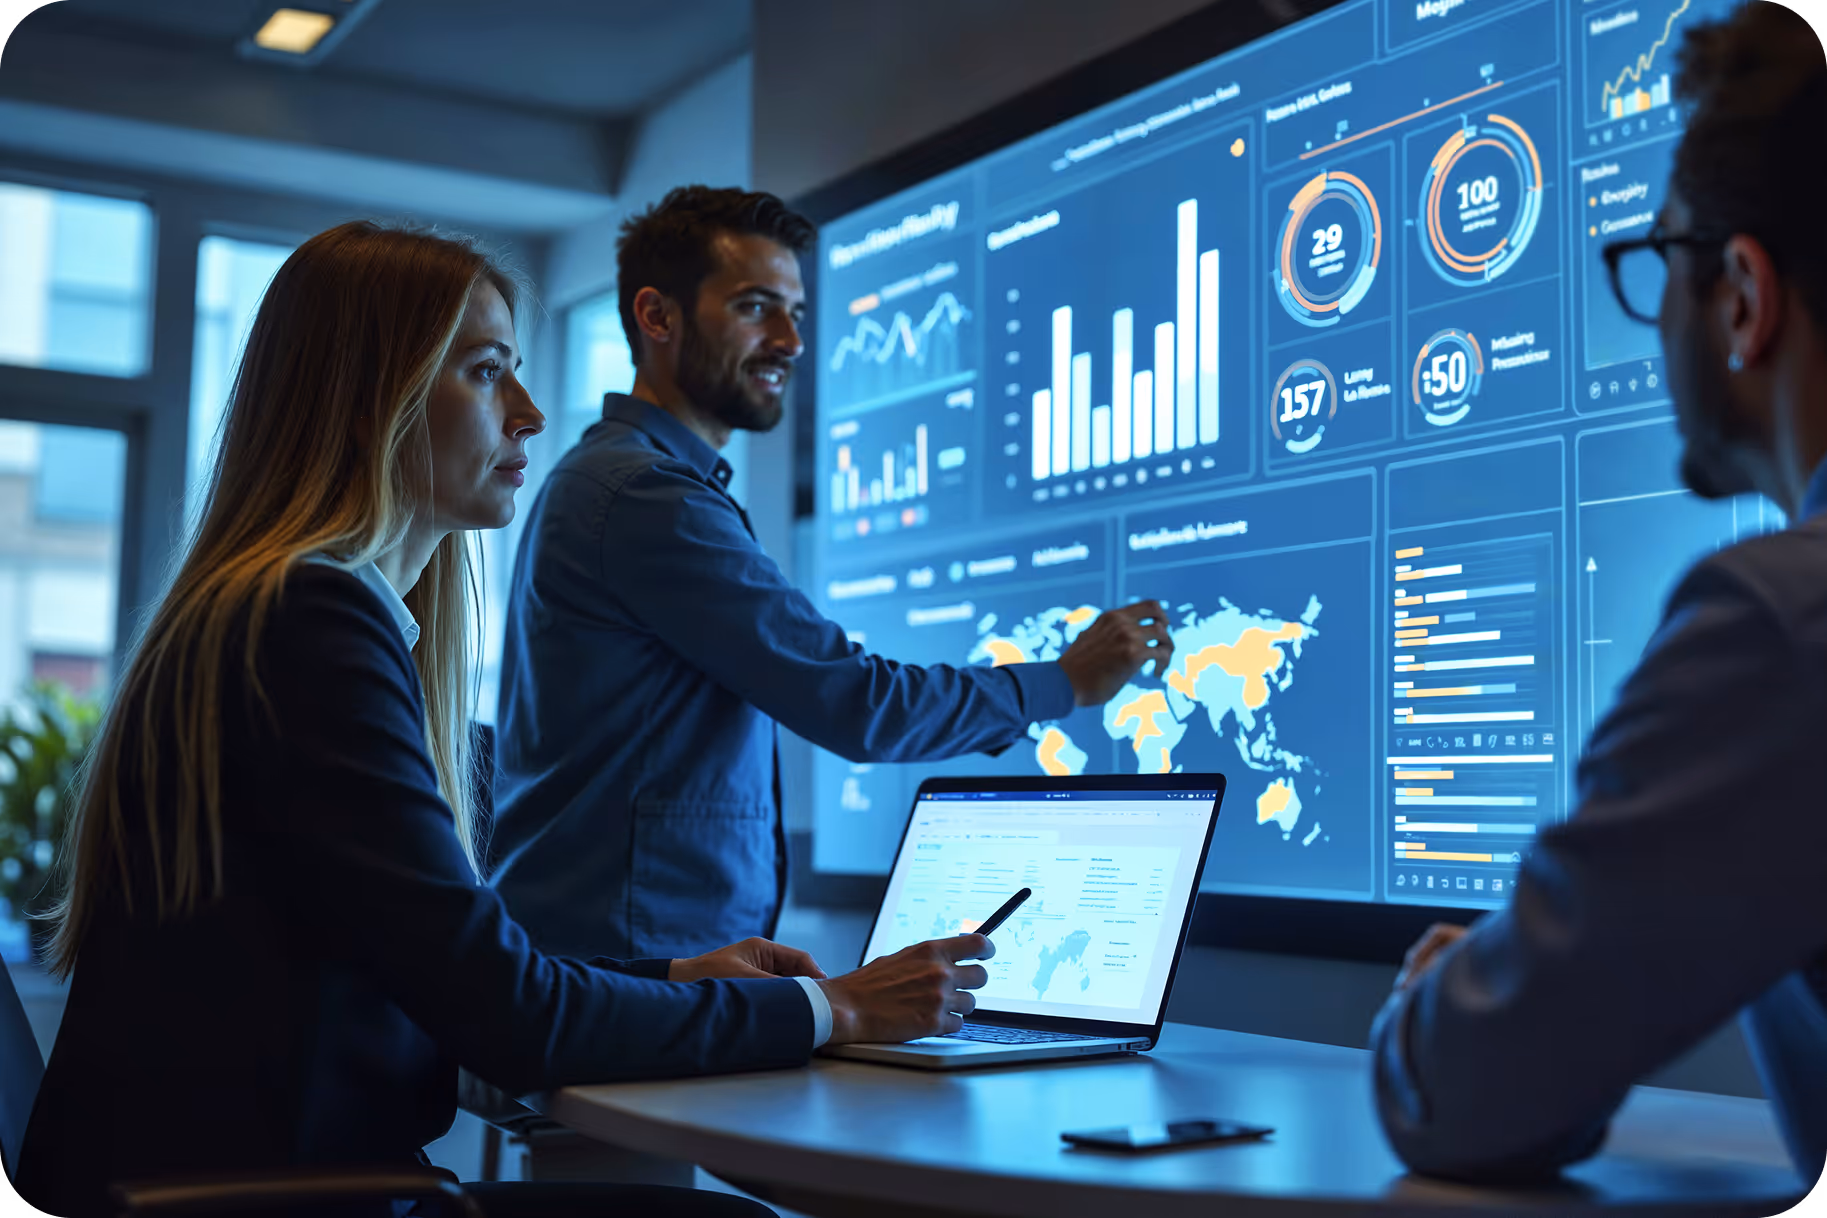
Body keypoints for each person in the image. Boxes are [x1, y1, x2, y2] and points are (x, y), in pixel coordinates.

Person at [16, 221, 995, 1218]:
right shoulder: (312, 623)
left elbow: (436, 974)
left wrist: (670, 973)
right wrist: (831, 1006)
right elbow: (509, 1019)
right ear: (369, 400)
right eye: (487, 373)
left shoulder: (280, 613)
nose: (528, 415)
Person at [1370, 1, 1827, 1191]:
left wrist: (1447, 996)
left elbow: (1462, 1093)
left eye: (1660, 259)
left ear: (1741, 296)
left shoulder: (1779, 624)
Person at [491, 186, 1175, 960]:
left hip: (634, 969)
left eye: (797, 314)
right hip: (635, 975)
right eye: (755, 307)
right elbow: (857, 703)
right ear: (657, 317)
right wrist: (1063, 683)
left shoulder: (617, 481)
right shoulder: (644, 493)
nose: (789, 340)